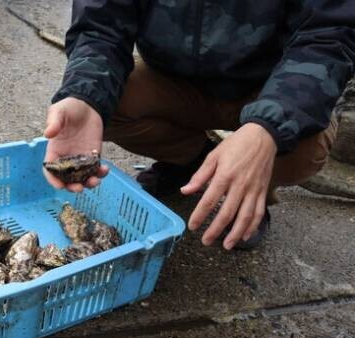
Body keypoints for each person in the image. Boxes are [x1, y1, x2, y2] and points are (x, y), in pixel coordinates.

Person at [42, 0, 355, 250]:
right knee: (104, 105)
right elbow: (100, 24)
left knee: (305, 146)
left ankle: (249, 195)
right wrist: (83, 94)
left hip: (270, 86)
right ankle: (193, 163)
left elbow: (329, 35)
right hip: (174, 81)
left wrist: (268, 127)